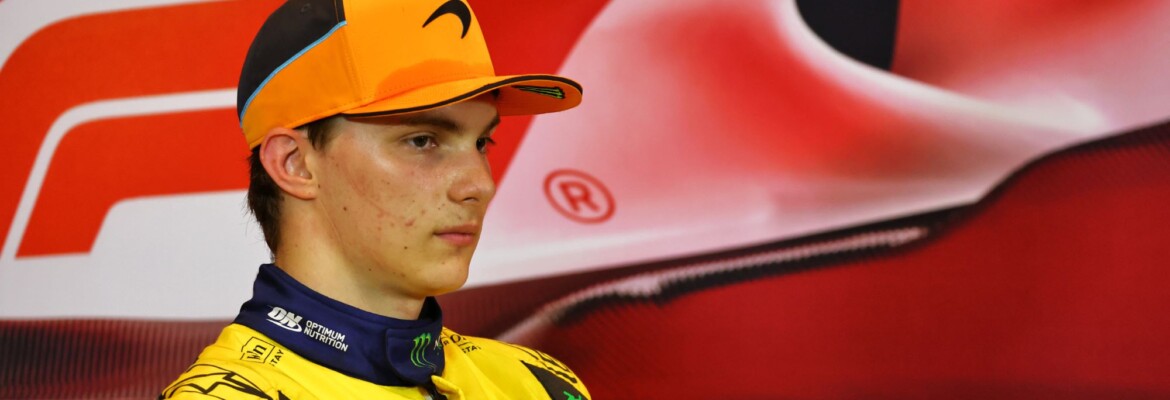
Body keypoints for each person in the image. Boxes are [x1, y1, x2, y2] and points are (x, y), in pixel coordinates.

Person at [159, 0, 587, 398]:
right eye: (422, 141)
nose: (481, 185)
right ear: (295, 164)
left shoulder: (538, 381)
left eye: (481, 142)